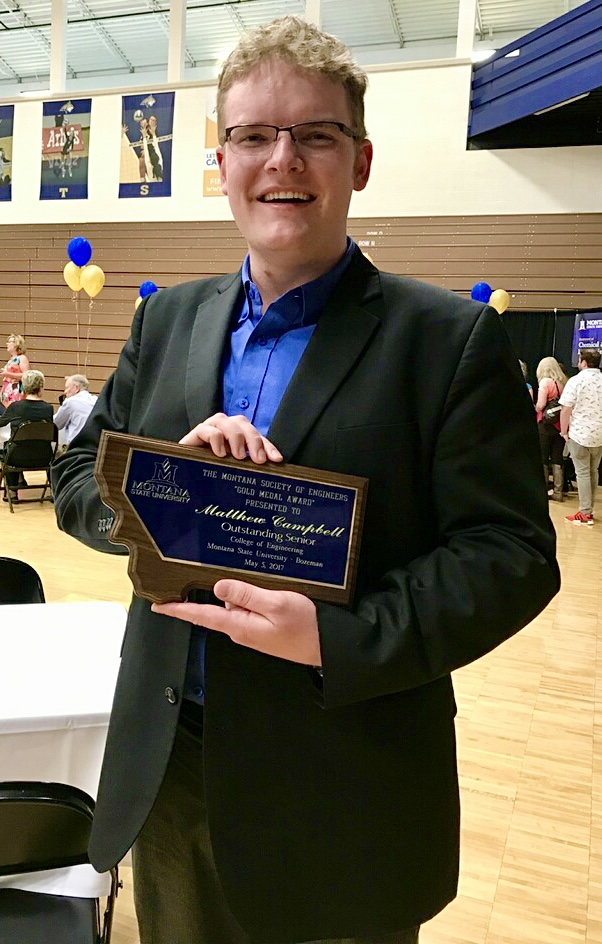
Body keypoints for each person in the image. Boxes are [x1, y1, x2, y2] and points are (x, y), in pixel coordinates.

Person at [51, 16, 559, 944]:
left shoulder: (447, 342)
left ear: (358, 160)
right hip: (172, 767)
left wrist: (338, 636)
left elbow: (513, 556)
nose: (281, 159)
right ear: (223, 160)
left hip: (343, 785)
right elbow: (82, 474)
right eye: (253, 135)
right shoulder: (165, 324)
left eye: (314, 134)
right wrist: (160, 499)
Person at [560, 348, 602, 525]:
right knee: (593, 472)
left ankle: (585, 513)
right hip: (599, 434)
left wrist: (563, 431)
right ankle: (589, 510)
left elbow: (566, 408)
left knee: (583, 473)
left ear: (583, 362)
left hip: (579, 433)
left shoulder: (576, 381)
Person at [0, 369, 53, 502]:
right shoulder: (48, 408)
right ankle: (53, 490)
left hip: (17, 458)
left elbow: (1, 422)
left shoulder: (16, 407)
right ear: (41, 387)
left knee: (8, 448)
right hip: (43, 457)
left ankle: (12, 491)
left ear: (23, 386)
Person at [535, 356, 567, 502]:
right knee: (557, 457)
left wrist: (535, 409)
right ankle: (558, 491)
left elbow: (541, 404)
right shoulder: (564, 382)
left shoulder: (545, 382)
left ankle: (542, 490)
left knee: (543, 457)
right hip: (561, 424)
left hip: (546, 425)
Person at [53, 374, 98, 446]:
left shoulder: (71, 401)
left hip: (75, 447)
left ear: (76, 388)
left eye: (67, 388)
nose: (65, 392)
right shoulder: (95, 400)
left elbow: (56, 424)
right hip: (94, 445)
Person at [1, 334, 30, 409]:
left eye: (9, 342)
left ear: (16, 344)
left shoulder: (22, 358)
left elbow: (26, 375)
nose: (7, 344)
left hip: (16, 390)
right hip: (7, 390)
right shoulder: (11, 360)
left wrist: (8, 374)